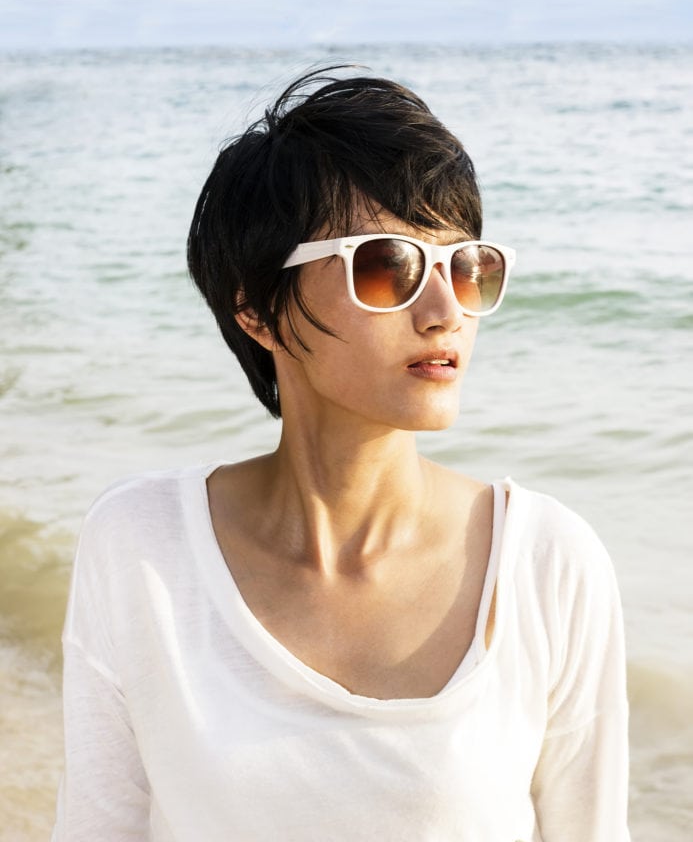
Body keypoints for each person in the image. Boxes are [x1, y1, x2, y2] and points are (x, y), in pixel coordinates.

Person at [52, 68, 630, 841]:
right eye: (387, 265)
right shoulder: (143, 547)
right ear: (256, 309)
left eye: (466, 267)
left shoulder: (545, 563)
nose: (443, 311)